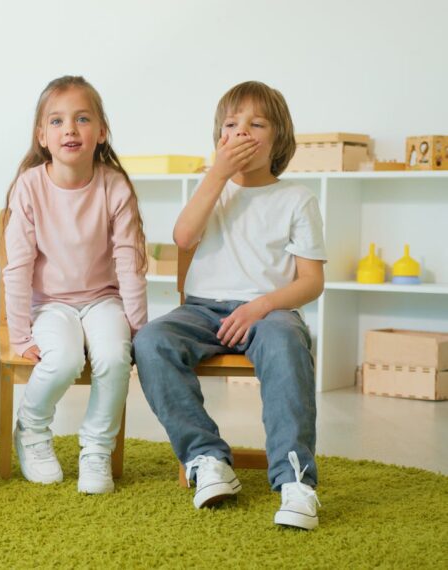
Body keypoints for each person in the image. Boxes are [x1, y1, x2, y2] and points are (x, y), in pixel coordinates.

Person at [133, 81, 326, 530]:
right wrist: (216, 175)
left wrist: (260, 307)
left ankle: (296, 482)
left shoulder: (297, 198)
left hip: (269, 311)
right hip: (201, 310)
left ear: (279, 138)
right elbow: (183, 238)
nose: (242, 133)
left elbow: (312, 281)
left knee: (285, 343)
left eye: (256, 124)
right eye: (231, 125)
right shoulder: (212, 187)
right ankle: (206, 458)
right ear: (219, 138)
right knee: (151, 341)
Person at [3, 75, 147, 494]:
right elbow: (18, 265)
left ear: (101, 132)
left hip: (103, 300)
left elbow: (129, 262)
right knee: (63, 359)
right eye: (58, 121)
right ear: (42, 136)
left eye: (82, 119)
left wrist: (137, 328)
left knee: (113, 358)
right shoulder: (30, 187)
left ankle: (96, 450)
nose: (70, 129)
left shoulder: (114, 185)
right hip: (51, 305)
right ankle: (31, 429)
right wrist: (19, 335)